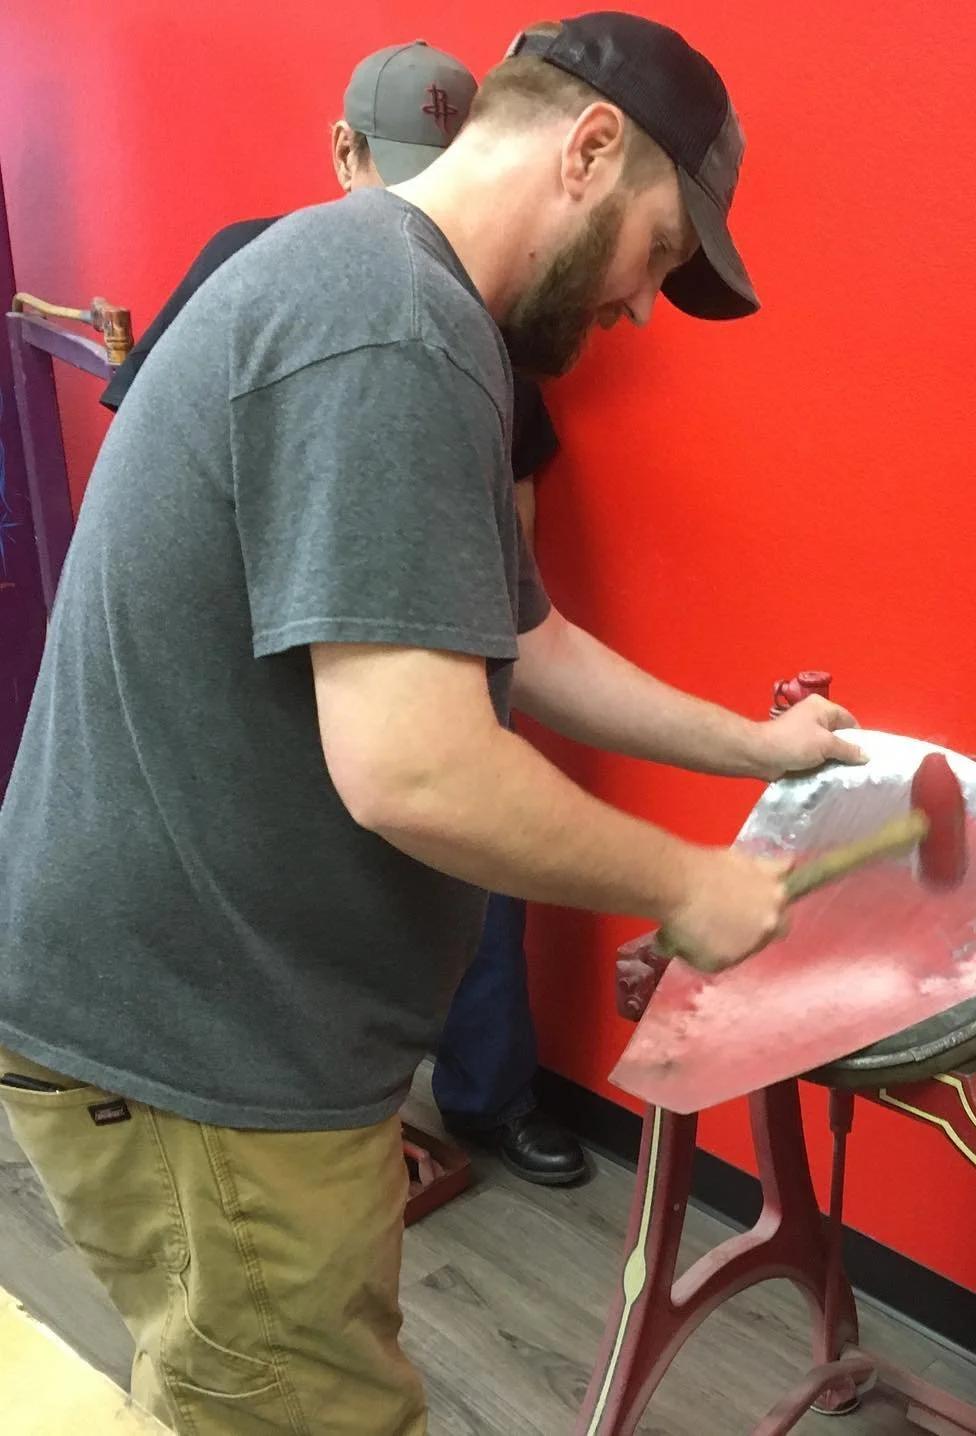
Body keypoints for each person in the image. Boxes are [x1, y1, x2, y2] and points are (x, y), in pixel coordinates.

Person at [0, 13, 862, 1435]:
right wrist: (686, 882)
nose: (646, 303)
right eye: (659, 250)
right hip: (192, 1047)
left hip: (234, 1025)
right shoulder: (387, 322)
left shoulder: (406, 304)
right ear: (589, 150)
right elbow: (414, 769)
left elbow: (523, 639)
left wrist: (749, 747)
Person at [102, 38, 585, 1185]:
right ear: (344, 155)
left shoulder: (489, 317)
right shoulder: (259, 268)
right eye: (394, 167)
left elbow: (512, 540)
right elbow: (141, 464)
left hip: (419, 623)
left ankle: (482, 1093)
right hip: (263, 651)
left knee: (471, 849)